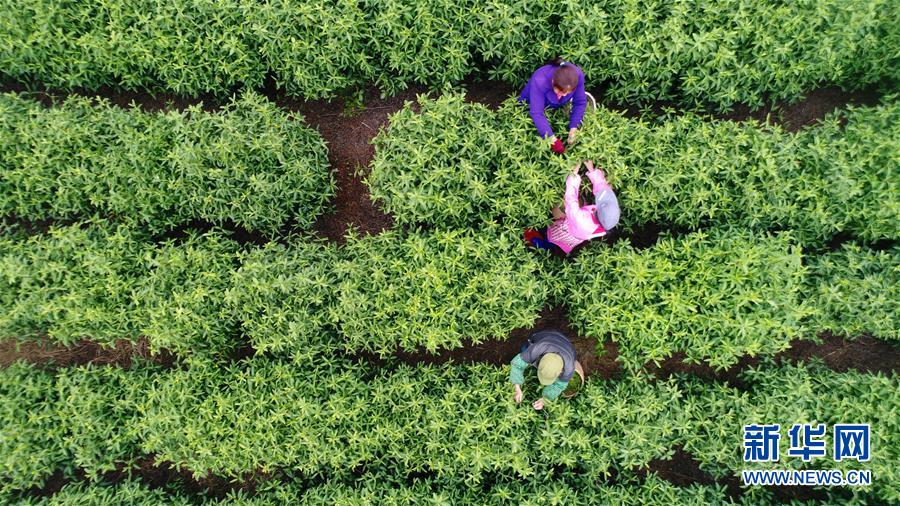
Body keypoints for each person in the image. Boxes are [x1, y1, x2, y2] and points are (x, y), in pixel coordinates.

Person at [524, 160, 620, 255]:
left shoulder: (580, 219)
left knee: (549, 241)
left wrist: (574, 173)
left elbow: (570, 197)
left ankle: (540, 244)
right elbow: (602, 189)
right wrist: (592, 170)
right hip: (578, 231)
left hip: (564, 233)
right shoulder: (608, 217)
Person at [518, 57, 588, 154]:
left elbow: (579, 102)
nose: (564, 95)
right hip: (531, 104)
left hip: (554, 106)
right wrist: (553, 141)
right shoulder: (540, 79)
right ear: (552, 82)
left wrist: (574, 127)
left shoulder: (577, 75)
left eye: (568, 92)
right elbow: (537, 113)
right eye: (560, 91)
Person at [510, 330, 578, 410]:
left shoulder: (569, 369)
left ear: (560, 372)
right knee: (525, 350)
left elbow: (559, 385)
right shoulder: (536, 349)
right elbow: (517, 364)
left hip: (567, 345)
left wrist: (545, 399)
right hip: (545, 335)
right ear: (540, 360)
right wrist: (517, 387)